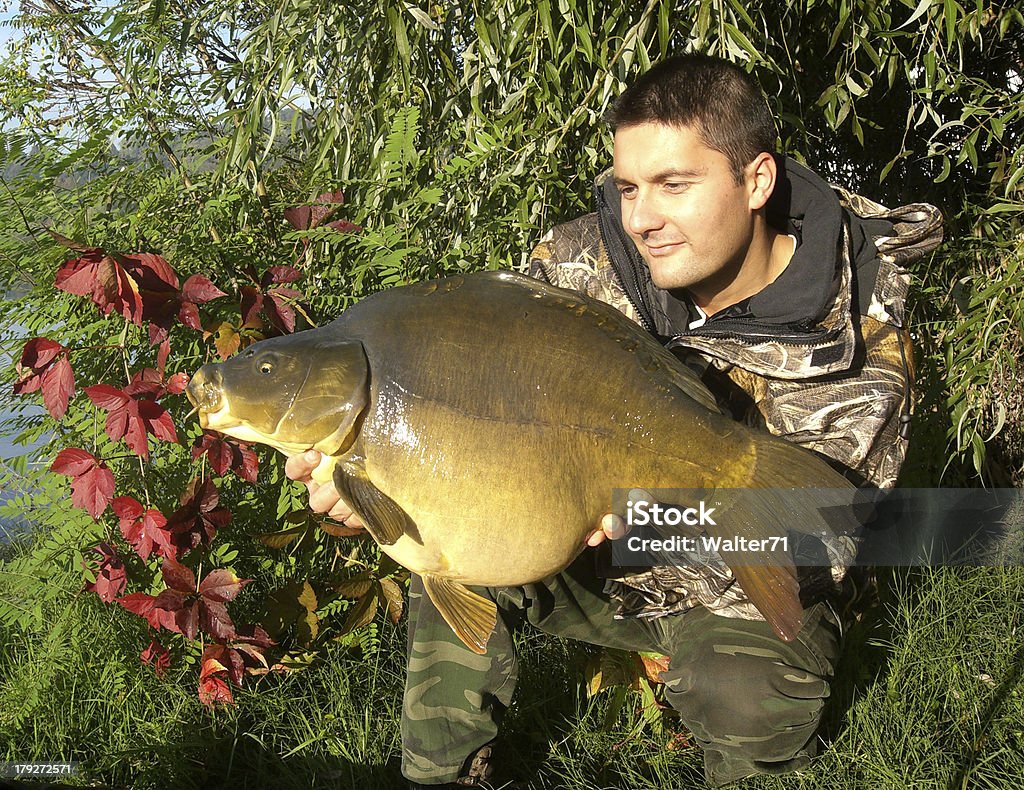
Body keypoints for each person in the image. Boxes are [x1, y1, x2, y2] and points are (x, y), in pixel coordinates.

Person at [285, 54, 944, 787]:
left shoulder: (860, 330)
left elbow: (828, 532)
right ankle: (441, 773)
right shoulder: (578, 266)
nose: (640, 218)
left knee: (744, 694)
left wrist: (640, 511)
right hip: (583, 551)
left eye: (673, 185)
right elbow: (477, 415)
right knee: (434, 534)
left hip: (749, 577)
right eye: (628, 187)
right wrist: (369, 484)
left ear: (756, 180)